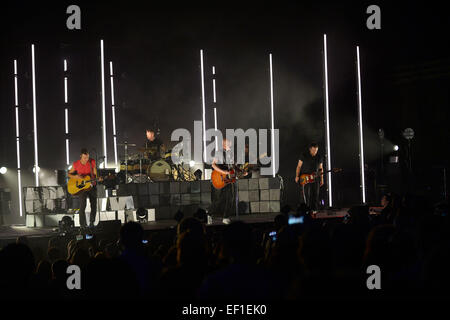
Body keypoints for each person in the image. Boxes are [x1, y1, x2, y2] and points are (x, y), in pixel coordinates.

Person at [68, 148, 99, 228]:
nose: (86, 159)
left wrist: (97, 178)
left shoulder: (92, 161)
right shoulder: (76, 164)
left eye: (87, 157)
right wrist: (76, 176)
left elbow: (95, 173)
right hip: (81, 187)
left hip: (92, 185)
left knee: (94, 205)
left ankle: (92, 222)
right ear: (80, 156)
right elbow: (69, 174)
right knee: (82, 205)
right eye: (84, 158)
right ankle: (82, 224)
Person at [211, 138, 236, 224]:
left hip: (229, 179)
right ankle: (209, 214)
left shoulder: (231, 153)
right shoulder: (219, 152)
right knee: (219, 199)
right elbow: (213, 165)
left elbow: (232, 167)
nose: (230, 142)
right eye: (228, 142)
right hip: (220, 178)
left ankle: (226, 217)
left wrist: (242, 172)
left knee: (230, 198)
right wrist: (223, 172)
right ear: (224, 144)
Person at [295, 142, 324, 212]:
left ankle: (315, 210)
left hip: (315, 177)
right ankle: (305, 210)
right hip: (305, 177)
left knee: (315, 194)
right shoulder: (304, 155)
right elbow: (299, 166)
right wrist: (297, 176)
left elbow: (321, 168)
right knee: (306, 194)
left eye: (316, 150)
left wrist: (322, 179)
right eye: (314, 150)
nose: (315, 152)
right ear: (310, 149)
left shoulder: (319, 156)